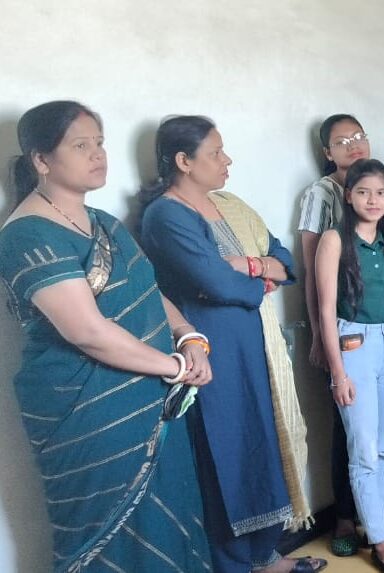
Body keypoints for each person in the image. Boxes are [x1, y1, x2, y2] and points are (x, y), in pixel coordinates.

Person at [0, 101, 213, 573]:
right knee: (110, 539)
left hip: (154, 398)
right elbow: (87, 331)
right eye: (81, 145)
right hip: (89, 413)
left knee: (170, 517)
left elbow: (150, 291)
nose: (98, 154)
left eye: (99, 143)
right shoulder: (25, 235)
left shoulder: (104, 223)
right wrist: (175, 367)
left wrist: (188, 336)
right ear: (41, 160)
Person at [140, 116, 321, 572]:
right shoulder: (166, 214)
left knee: (262, 441)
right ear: (183, 161)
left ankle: (263, 554)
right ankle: (233, 563)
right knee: (225, 450)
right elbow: (215, 282)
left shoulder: (229, 207)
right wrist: (254, 277)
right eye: (216, 153)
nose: (227, 160)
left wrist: (249, 265)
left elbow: (283, 259)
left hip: (253, 345)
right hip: (212, 349)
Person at [296, 114, 384, 558]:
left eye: (381, 192)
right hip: (354, 345)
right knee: (363, 448)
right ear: (348, 195)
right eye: (363, 192)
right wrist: (338, 372)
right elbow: (327, 310)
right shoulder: (334, 239)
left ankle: (374, 524)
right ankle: (381, 543)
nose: (373, 199)